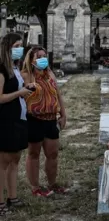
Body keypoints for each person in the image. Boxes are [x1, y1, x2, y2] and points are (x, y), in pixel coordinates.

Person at [21, 45, 67, 196]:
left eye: (44, 56)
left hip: (51, 119)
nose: (42, 59)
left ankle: (52, 184)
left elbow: (58, 95)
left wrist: (63, 114)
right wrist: (28, 87)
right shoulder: (26, 75)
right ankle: (35, 187)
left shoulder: (50, 74)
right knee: (34, 153)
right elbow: (21, 94)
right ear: (31, 60)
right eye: (39, 57)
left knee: (52, 153)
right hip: (34, 119)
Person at [0, 33, 33, 215]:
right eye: (17, 45)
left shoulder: (15, 68)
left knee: (15, 160)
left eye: (21, 45)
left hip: (19, 119)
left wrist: (26, 90)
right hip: (6, 121)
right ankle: (0, 204)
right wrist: (19, 93)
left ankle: (13, 197)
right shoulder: (2, 70)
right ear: (8, 47)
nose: (20, 49)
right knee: (3, 163)